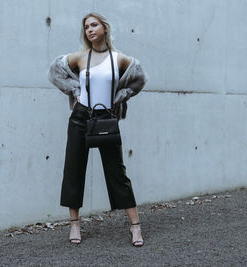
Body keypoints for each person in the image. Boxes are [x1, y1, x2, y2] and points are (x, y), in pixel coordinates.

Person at [48, 12, 147, 247]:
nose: (90, 30)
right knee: (74, 168)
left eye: (94, 25)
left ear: (104, 28)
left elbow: (139, 79)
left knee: (117, 172)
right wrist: (75, 90)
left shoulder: (119, 59)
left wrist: (121, 96)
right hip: (81, 117)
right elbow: (55, 72)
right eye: (86, 27)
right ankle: (74, 224)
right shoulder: (81, 57)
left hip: (105, 119)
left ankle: (135, 226)